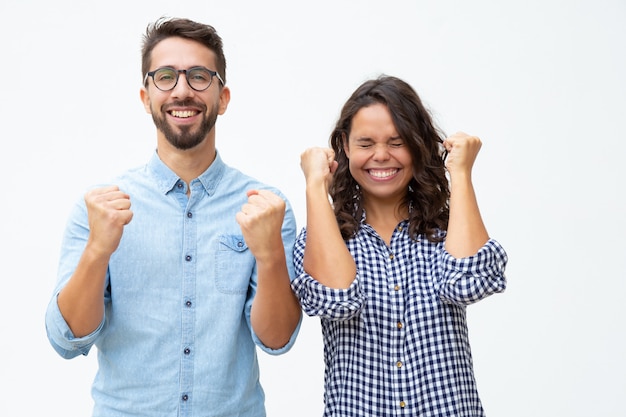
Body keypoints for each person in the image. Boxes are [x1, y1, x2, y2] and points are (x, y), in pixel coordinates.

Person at [45, 17, 302, 417]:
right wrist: (98, 250)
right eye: (165, 77)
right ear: (146, 97)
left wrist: (269, 256)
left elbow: (278, 340)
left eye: (199, 76)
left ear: (224, 97)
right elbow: (67, 340)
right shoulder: (99, 208)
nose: (182, 90)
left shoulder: (265, 208)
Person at [293, 75, 508, 416]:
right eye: (365, 144)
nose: (381, 156)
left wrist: (462, 173)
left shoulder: (448, 229)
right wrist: (315, 186)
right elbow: (336, 299)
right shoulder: (322, 236)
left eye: (397, 142)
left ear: (418, 145)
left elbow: (467, 283)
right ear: (345, 147)